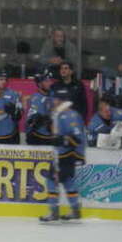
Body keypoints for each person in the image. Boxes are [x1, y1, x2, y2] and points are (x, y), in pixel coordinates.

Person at [39, 84, 86, 223]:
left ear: (62, 100)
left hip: (67, 155)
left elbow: (77, 138)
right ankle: (75, 210)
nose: (54, 101)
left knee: (51, 179)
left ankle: (54, 212)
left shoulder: (69, 115)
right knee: (67, 181)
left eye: (56, 98)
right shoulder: (60, 114)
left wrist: (61, 140)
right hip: (64, 154)